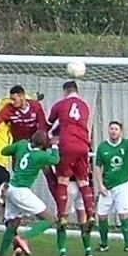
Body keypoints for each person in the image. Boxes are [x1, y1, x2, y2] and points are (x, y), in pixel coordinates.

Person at [0, 131, 59, 256]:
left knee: (13, 224)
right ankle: (23, 238)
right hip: (22, 191)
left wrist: (17, 148)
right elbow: (56, 160)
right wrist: (55, 146)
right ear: (42, 144)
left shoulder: (22, 145)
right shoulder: (41, 155)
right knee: (50, 219)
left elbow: (4, 151)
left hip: (11, 189)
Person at [0, 90, 45, 208]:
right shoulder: (8, 127)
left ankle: (2, 191)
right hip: (4, 163)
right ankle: (5, 219)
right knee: (1, 198)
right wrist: (34, 98)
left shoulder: (4, 120)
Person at [47, 81, 95, 232]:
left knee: (63, 180)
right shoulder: (85, 106)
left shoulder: (61, 104)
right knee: (83, 181)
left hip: (67, 145)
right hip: (83, 145)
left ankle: (61, 215)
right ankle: (91, 214)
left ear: (65, 91)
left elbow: (48, 124)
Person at [93, 121, 128, 253]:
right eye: (111, 128)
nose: (113, 131)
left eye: (116, 129)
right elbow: (97, 166)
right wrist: (100, 185)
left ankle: (127, 245)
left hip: (123, 185)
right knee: (101, 215)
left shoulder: (127, 144)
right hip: (107, 186)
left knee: (123, 214)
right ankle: (104, 244)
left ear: (120, 131)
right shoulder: (102, 147)